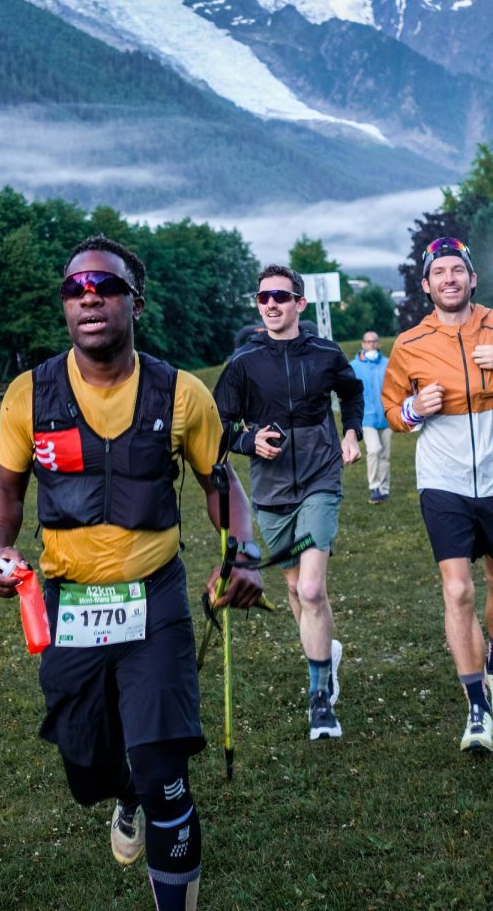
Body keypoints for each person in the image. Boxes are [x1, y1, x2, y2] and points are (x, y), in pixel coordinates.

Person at [0, 235, 262, 911]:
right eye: (75, 290)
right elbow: (5, 490)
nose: (89, 299)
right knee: (89, 764)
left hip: (155, 596)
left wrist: (241, 554)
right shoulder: (30, 394)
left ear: (134, 301)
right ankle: (123, 791)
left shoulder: (183, 394)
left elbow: (222, 486)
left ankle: (155, 805)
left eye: (104, 287)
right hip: (68, 601)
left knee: (166, 773)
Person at [214, 264, 363, 742]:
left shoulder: (324, 351)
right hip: (271, 490)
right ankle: (325, 656)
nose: (272, 304)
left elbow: (352, 390)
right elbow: (223, 426)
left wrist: (353, 432)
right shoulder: (243, 362)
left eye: (281, 296)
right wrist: (250, 440)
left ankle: (320, 698)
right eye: (263, 298)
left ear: (300, 302)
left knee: (314, 589)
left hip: (321, 476)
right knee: (298, 590)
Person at [381, 237, 493, 752]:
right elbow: (392, 415)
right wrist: (414, 410)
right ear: (425, 286)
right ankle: (478, 709)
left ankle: (488, 657)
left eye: (457, 270)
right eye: (438, 272)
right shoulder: (408, 345)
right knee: (458, 591)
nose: (449, 278)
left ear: (472, 278)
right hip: (443, 481)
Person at [350, 331, 392, 505]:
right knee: (374, 450)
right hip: (366, 417)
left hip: (386, 416)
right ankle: (374, 486)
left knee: (385, 454)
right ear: (363, 344)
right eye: (368, 342)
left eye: (374, 342)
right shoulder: (353, 366)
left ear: (378, 343)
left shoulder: (387, 364)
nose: (371, 345)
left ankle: (384, 488)